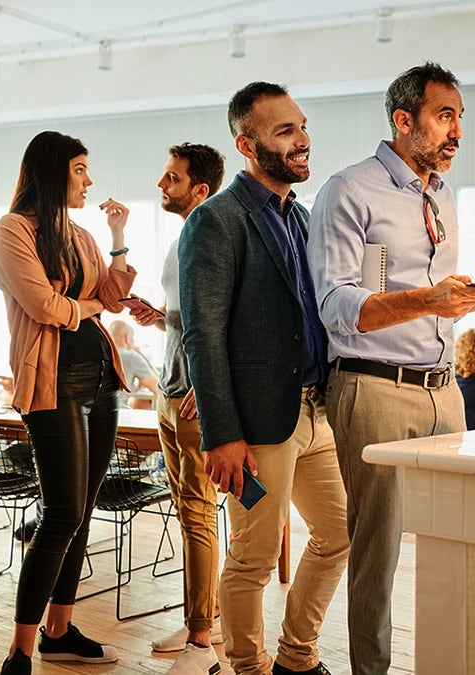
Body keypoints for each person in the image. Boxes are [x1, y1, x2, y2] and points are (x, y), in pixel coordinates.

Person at [308, 62, 475, 674]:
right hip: (374, 388)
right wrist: (429, 299)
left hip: (443, 390)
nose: (456, 131)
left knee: (456, 538)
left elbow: (446, 293)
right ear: (404, 121)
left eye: (460, 118)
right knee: (379, 551)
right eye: (443, 116)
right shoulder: (351, 191)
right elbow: (340, 306)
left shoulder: (440, 196)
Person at [180, 82, 349, 675]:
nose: (302, 140)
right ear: (246, 144)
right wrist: (222, 432)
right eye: (284, 131)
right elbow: (201, 333)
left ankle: (296, 658)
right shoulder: (215, 221)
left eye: (301, 126)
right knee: (251, 560)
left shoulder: (302, 217)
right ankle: (249, 669)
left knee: (340, 533)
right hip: (257, 425)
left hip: (317, 413)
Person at [0, 130, 137, 675]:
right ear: (54, 172)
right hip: (53, 384)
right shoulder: (14, 230)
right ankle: (20, 651)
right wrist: (92, 304)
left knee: (81, 513)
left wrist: (118, 235)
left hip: (101, 380)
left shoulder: (79, 234)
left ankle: (58, 631)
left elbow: (115, 297)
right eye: (80, 169)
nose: (88, 180)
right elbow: (44, 305)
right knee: (62, 515)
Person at [128, 142, 228, 674]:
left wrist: (210, 387)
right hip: (168, 394)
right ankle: (198, 620)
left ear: (200, 190)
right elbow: (187, 316)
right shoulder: (181, 241)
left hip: (194, 399)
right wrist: (157, 315)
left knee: (197, 513)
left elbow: (229, 322)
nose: (162, 185)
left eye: (172, 179)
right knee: (187, 508)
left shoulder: (213, 239)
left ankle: (202, 641)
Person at [108, 319, 160, 409]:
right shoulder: (131, 356)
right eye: (133, 338)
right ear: (127, 338)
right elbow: (158, 388)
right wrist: (141, 356)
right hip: (119, 413)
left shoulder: (101, 353)